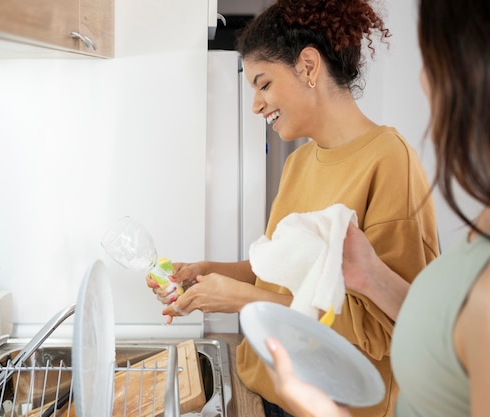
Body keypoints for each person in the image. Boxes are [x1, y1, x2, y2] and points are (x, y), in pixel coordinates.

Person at [262, 0, 490, 416]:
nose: (422, 79)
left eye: (433, 58)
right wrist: (373, 278)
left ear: (485, 74)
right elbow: (452, 329)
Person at [149, 0, 439, 416]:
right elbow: (273, 273)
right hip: (268, 385)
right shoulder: (299, 161)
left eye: (263, 84)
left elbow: (388, 329)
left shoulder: (390, 162)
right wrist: (205, 273)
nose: (255, 105)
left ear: (307, 67)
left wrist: (242, 300)